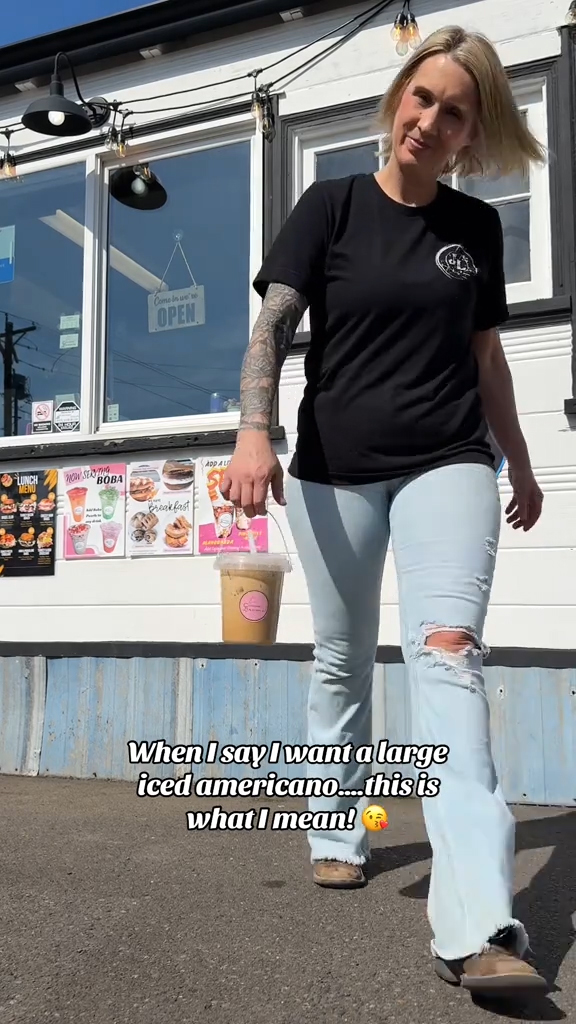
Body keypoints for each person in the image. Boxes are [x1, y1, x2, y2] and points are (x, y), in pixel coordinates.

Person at [221, 25, 547, 998]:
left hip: (449, 459)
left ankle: (479, 922)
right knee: (341, 657)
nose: (429, 118)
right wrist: (253, 431)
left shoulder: (474, 230)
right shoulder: (330, 205)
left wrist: (522, 465)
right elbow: (273, 326)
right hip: (331, 469)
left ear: (469, 134)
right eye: (421, 96)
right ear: (397, 98)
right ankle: (338, 826)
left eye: (453, 110)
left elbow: (487, 360)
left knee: (447, 656)